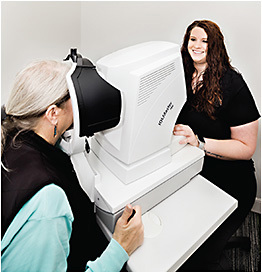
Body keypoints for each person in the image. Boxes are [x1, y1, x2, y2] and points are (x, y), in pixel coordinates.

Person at [1, 60, 144, 272]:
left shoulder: (13, 137)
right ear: (53, 113)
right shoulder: (47, 202)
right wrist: (121, 247)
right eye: (73, 96)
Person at [173, 20, 260, 271]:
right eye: (193, 39)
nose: (197, 46)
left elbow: (246, 148)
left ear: (215, 46)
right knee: (185, 239)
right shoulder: (182, 73)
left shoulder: (232, 84)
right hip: (195, 173)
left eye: (205, 41)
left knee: (204, 255)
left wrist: (199, 142)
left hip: (231, 181)